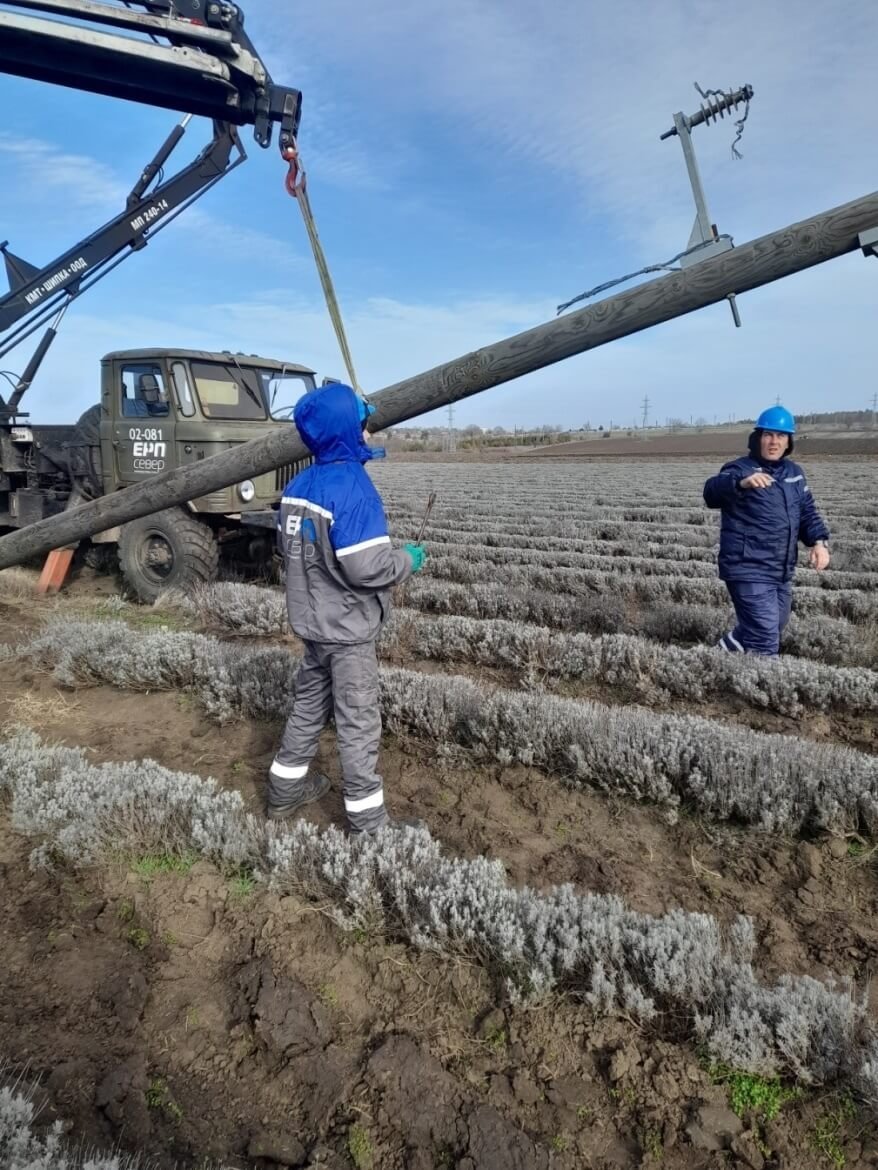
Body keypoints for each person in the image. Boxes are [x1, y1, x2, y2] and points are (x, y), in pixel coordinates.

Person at [268, 381, 427, 835]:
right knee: (358, 723)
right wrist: (407, 561)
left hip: (312, 624)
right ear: (347, 430)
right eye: (362, 422)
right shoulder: (353, 488)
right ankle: (370, 825)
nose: (368, 430)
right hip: (348, 631)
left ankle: (283, 793)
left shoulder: (298, 486)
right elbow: (365, 568)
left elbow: (294, 553)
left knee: (308, 706)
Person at [703, 405, 830, 656]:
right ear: (757, 437)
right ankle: (761, 692)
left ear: (788, 441)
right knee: (764, 638)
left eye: (781, 436)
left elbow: (806, 511)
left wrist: (818, 541)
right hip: (747, 566)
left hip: (780, 569)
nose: (774, 442)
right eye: (768, 435)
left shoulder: (794, 474)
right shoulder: (739, 469)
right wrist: (740, 484)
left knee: (773, 625)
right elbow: (711, 492)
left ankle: (713, 659)